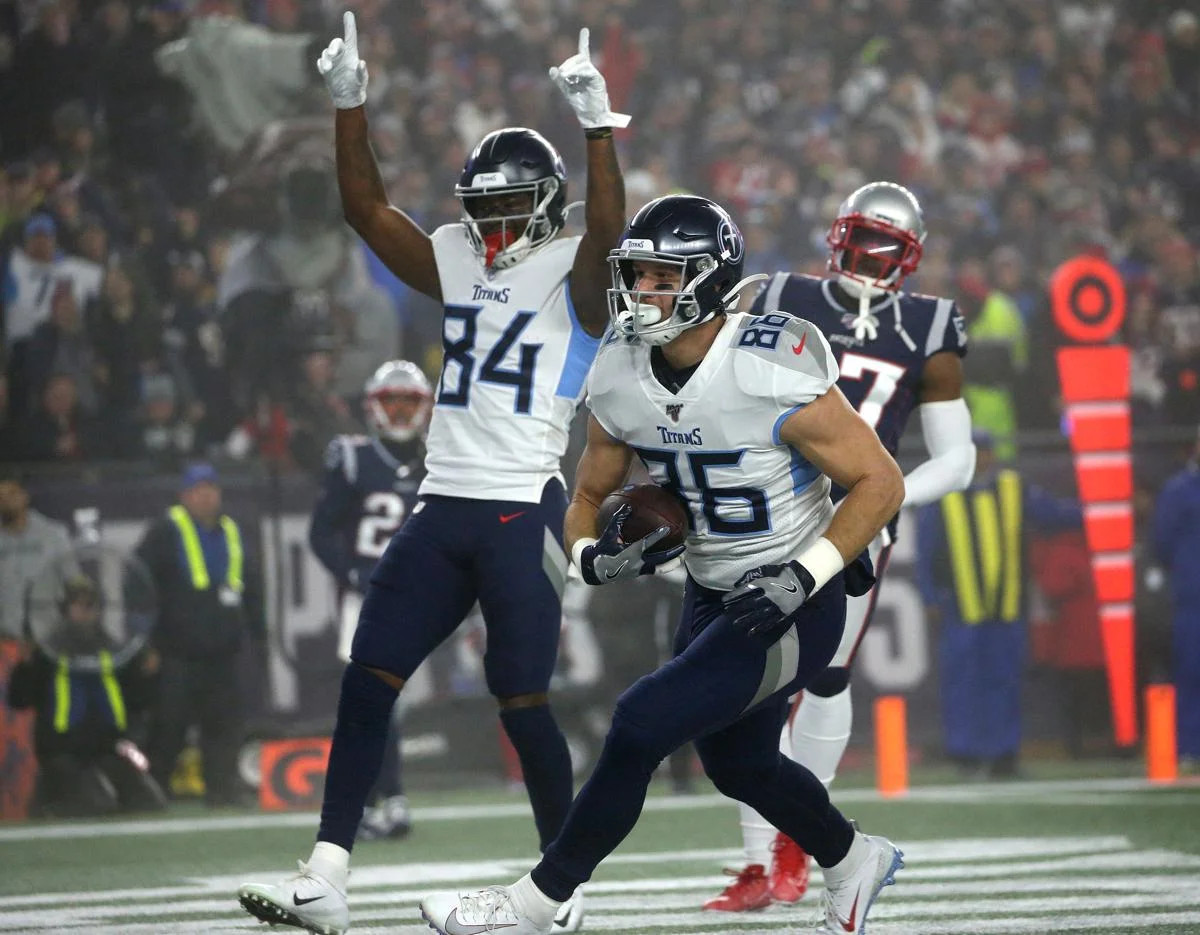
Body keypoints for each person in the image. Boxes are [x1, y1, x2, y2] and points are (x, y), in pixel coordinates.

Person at [418, 194, 906, 935]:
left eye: (660, 277)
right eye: (636, 275)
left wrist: (807, 572)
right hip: (712, 591)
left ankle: (531, 904)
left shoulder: (769, 361)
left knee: (640, 721)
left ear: (710, 281)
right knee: (738, 765)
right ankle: (851, 857)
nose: (640, 292)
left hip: (792, 595)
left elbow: (882, 481)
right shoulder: (619, 367)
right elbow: (586, 493)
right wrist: (590, 555)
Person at [237, 15, 628, 935]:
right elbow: (368, 212)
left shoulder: (579, 266)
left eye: (506, 208)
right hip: (442, 501)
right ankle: (328, 875)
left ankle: (558, 887)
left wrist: (599, 126)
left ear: (543, 203)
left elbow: (609, 227)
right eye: (480, 207)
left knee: (522, 699)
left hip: (520, 507)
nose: (489, 225)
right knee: (367, 675)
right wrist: (349, 106)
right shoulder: (457, 253)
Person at [706, 181, 976, 910]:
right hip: (770, 504)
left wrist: (888, 499)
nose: (868, 259)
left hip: (857, 520)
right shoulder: (779, 293)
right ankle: (760, 863)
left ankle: (800, 843)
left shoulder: (929, 325)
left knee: (823, 678)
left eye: (885, 248)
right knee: (745, 676)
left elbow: (959, 458)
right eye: (861, 241)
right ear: (837, 236)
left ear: (909, 258)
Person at [308, 359, 433, 840]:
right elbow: (321, 533)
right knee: (374, 700)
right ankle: (383, 799)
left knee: (386, 702)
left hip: (419, 598)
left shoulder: (439, 457)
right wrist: (356, 574)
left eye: (409, 401)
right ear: (373, 407)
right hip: (366, 599)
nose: (401, 410)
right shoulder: (353, 457)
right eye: (391, 400)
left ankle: (372, 802)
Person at [916, 430, 1081, 778]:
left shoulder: (1013, 487)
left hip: (1007, 606)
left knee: (1004, 679)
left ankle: (1004, 752)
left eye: (986, 451)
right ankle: (966, 754)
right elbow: (926, 551)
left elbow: (1053, 515)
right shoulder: (943, 493)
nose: (983, 458)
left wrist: (1102, 507)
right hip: (962, 607)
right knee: (964, 682)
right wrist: (930, 596)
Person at [136, 463, 264, 806]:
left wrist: (258, 635)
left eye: (211, 489)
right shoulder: (164, 532)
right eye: (198, 490)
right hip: (177, 651)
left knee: (224, 725)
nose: (206, 497)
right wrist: (145, 641)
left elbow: (252, 588)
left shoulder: (232, 533)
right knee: (169, 725)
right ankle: (153, 788)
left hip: (223, 651)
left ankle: (222, 788)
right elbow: (139, 585)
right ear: (185, 496)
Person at [7, 574, 166, 817]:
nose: (86, 612)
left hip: (109, 749)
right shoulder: (46, 653)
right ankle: (49, 798)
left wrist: (147, 675)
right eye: (78, 605)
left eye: (91, 605)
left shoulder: (114, 651)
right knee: (97, 803)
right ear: (64, 610)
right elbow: (19, 700)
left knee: (149, 802)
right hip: (63, 750)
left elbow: (138, 702)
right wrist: (25, 667)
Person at [1153, 427, 1200, 771]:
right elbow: (1162, 544)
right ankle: (1188, 747)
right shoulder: (1178, 491)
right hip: (1193, 600)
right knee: (1191, 673)